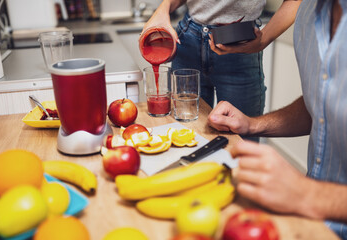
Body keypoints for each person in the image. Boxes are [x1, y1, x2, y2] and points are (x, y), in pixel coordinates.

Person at [207, 0, 347, 239]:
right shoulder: (307, 14)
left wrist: (305, 194)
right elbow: (323, 105)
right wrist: (251, 124)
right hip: (311, 224)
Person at [141, 0, 301, 140]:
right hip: (188, 39)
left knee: (241, 143)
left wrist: (263, 40)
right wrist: (164, 7)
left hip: (239, 46)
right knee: (184, 134)